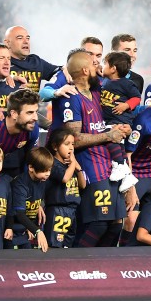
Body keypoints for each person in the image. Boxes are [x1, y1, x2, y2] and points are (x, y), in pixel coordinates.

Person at [51, 49, 131, 249]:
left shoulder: (98, 92)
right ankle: (79, 265)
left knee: (115, 224)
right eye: (94, 64)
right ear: (85, 71)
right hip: (90, 167)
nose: (98, 66)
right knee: (97, 224)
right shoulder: (70, 98)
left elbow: (106, 123)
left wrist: (120, 127)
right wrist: (107, 135)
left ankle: (105, 269)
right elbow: (74, 139)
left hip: (110, 167)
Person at [0, 88, 41, 178]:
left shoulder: (32, 129)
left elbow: (29, 160)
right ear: (14, 114)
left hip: (5, 167)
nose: (35, 118)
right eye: (30, 113)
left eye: (36, 112)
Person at [43, 127, 84, 248]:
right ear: (55, 146)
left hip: (72, 210)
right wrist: (72, 164)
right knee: (55, 247)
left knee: (67, 248)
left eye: (72, 144)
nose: (71, 147)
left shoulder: (71, 165)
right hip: (57, 210)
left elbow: (83, 185)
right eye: (66, 144)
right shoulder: (52, 163)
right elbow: (65, 178)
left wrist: (78, 168)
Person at [10, 147, 54, 252]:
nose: (47, 174)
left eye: (49, 170)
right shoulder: (20, 184)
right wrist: (37, 231)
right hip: (14, 230)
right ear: (31, 168)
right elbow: (19, 214)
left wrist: (38, 207)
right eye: (44, 170)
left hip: (28, 229)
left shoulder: (43, 180)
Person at [4, 25, 62, 93]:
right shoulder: (0, 62)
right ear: (7, 43)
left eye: (28, 38)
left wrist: (65, 69)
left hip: (33, 103)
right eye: (20, 38)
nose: (26, 41)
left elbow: (58, 71)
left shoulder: (36, 61)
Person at [101, 51, 142, 125]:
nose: (102, 67)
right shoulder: (105, 80)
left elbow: (137, 98)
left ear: (113, 69)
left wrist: (126, 105)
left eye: (105, 64)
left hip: (120, 121)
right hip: (105, 120)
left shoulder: (127, 84)